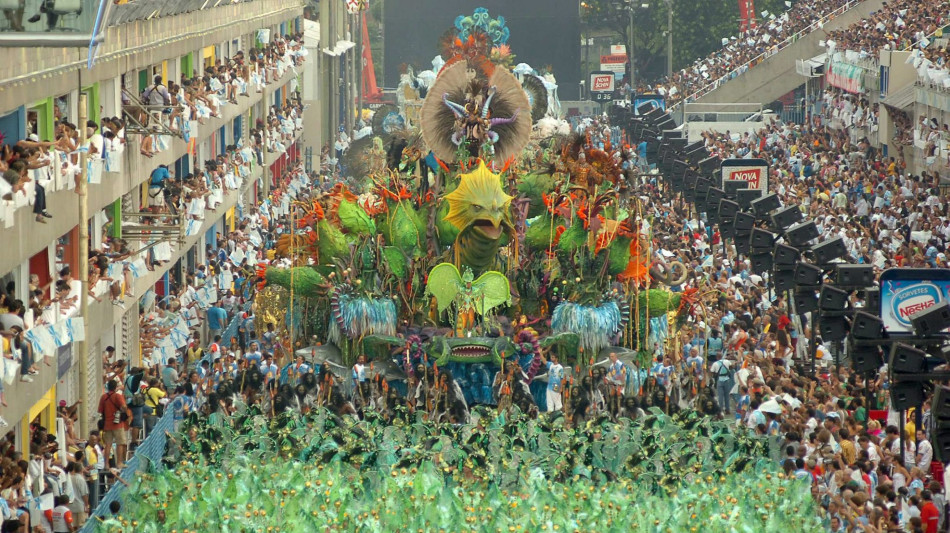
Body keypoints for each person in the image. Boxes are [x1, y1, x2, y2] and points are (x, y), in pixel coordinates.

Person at [96, 379, 130, 468]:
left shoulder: (103, 397)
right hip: (117, 424)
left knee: (108, 444)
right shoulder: (118, 396)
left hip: (107, 424)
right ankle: (119, 463)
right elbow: (123, 407)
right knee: (120, 443)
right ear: (115, 387)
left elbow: (100, 410)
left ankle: (106, 464)